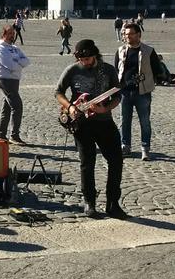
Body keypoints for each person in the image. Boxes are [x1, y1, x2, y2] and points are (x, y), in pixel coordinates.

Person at [54, 39, 127, 219]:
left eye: (87, 59)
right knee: (87, 163)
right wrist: (70, 107)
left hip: (104, 121)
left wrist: (105, 108)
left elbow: (117, 96)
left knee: (116, 160)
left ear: (95, 55)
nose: (84, 62)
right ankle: (89, 202)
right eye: (81, 59)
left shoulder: (108, 70)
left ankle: (113, 203)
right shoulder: (72, 70)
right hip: (81, 123)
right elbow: (58, 92)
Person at [115, 23, 163, 160]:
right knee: (124, 121)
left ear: (139, 35)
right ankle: (125, 146)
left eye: (130, 34)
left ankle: (145, 148)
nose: (127, 36)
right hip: (124, 92)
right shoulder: (120, 51)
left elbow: (158, 70)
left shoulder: (149, 51)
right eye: (125, 34)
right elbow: (115, 71)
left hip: (142, 93)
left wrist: (148, 80)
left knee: (145, 121)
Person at [0, 25, 31, 144]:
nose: (12, 35)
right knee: (17, 106)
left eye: (13, 33)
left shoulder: (15, 48)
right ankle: (14, 135)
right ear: (3, 34)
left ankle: (1, 134)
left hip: (15, 80)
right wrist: (18, 62)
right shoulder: (0, 49)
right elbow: (10, 65)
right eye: (9, 33)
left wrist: (17, 62)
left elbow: (26, 61)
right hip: (4, 80)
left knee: (7, 107)